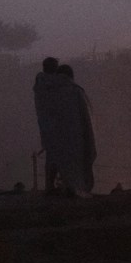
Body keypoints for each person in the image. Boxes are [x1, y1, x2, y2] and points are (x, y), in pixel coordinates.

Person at [33, 57, 97, 195]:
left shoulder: (44, 87)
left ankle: (51, 186)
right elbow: (85, 117)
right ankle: (70, 186)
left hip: (52, 131)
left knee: (53, 159)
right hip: (73, 134)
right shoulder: (74, 91)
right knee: (72, 161)